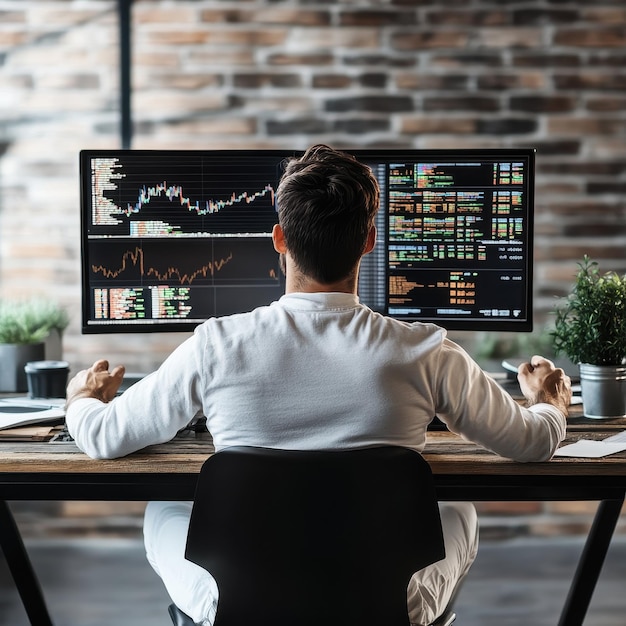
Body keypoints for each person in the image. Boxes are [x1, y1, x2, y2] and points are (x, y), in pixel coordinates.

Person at [65, 144, 572, 626]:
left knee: (165, 509)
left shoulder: (215, 345)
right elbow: (531, 443)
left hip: (234, 604)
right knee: (459, 508)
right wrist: (548, 403)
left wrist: (83, 396)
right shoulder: (428, 352)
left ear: (280, 239)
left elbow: (105, 438)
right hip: (390, 604)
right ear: (370, 240)